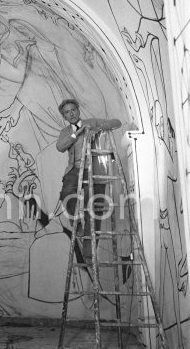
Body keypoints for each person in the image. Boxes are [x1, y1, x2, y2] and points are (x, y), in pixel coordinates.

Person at [56, 98, 121, 261]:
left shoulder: (91, 122)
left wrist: (97, 128)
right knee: (66, 193)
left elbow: (117, 122)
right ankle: (76, 222)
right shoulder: (65, 132)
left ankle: (89, 254)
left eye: (73, 110)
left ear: (78, 110)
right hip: (75, 170)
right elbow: (60, 147)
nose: (71, 114)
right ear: (64, 116)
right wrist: (75, 134)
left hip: (95, 170)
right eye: (67, 112)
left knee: (95, 210)